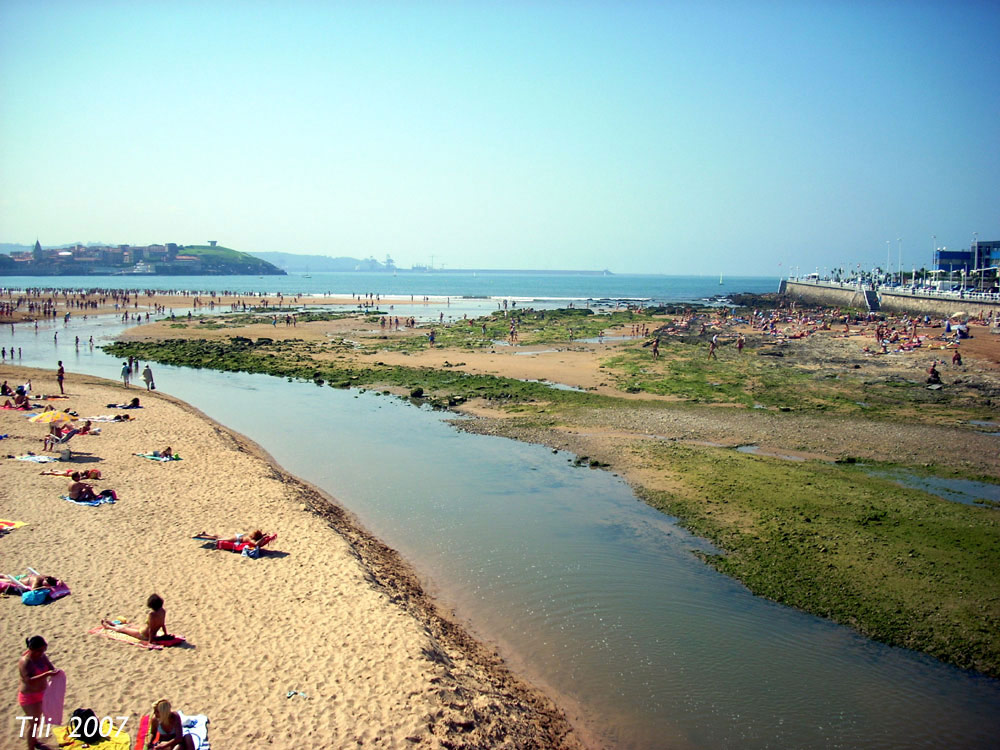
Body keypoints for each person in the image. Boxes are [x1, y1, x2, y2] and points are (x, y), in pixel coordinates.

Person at [18, 635, 61, 750]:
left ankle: (34, 740)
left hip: (42, 693)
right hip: (29, 697)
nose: (42, 652)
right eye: (40, 650)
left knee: (36, 721)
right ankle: (30, 747)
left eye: (44, 649)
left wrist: (54, 671)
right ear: (32, 649)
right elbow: (29, 680)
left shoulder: (42, 656)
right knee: (34, 723)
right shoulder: (25, 662)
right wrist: (47, 675)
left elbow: (50, 667)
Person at [101, 594, 168, 642]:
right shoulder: (163, 611)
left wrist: (150, 641)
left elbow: (151, 629)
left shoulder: (152, 615)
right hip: (145, 630)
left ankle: (109, 627)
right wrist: (166, 634)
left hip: (144, 635)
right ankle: (113, 624)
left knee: (124, 629)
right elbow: (163, 624)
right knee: (130, 625)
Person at [197, 529, 267, 549]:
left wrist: (264, 536)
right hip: (236, 539)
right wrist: (263, 538)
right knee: (220, 539)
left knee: (220, 536)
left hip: (237, 537)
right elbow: (256, 544)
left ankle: (206, 534)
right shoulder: (251, 540)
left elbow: (257, 541)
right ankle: (203, 536)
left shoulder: (250, 538)